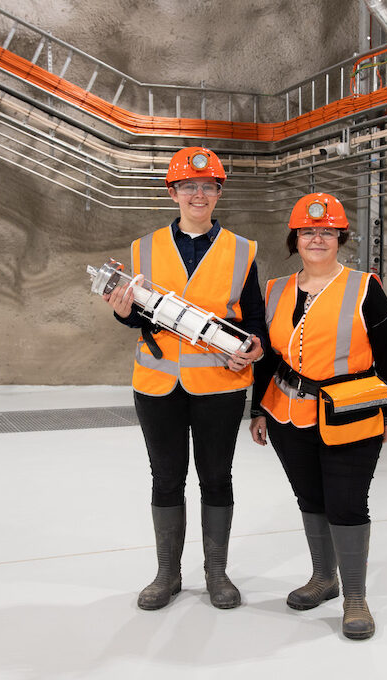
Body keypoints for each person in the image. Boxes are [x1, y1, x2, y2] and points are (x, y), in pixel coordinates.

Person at [103, 146, 266, 611]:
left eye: (208, 186)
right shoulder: (144, 248)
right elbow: (140, 319)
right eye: (189, 186)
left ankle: (216, 573)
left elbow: (254, 318)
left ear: (218, 193)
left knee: (216, 478)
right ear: (172, 192)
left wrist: (253, 348)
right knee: (166, 478)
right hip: (157, 386)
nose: (199, 194)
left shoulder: (242, 250)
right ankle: (167, 574)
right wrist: (123, 314)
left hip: (219, 385)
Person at [248, 192, 387, 640]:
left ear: (340, 238)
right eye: (308, 231)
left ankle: (355, 595)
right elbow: (266, 358)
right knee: (310, 498)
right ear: (295, 237)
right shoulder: (276, 288)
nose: (317, 238)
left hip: (350, 412)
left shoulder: (364, 287)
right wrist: (259, 408)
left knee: (347, 502)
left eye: (327, 231)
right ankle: (324, 578)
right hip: (285, 410)